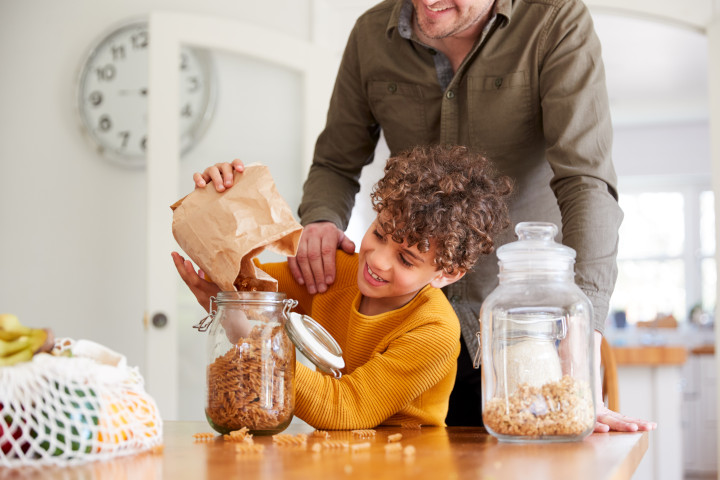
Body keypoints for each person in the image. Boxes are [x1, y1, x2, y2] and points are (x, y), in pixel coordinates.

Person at [199, 0, 657, 432]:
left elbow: (587, 184)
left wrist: (579, 339)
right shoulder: (370, 35)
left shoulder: (554, 22)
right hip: (402, 322)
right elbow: (334, 167)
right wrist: (314, 222)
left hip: (520, 331)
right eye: (380, 235)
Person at [173, 145, 513, 429]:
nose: (378, 260)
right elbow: (247, 282)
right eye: (379, 234)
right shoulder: (338, 272)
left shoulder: (435, 330)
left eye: (406, 259)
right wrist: (222, 201)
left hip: (408, 464)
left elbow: (345, 407)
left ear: (447, 273)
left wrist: (250, 336)